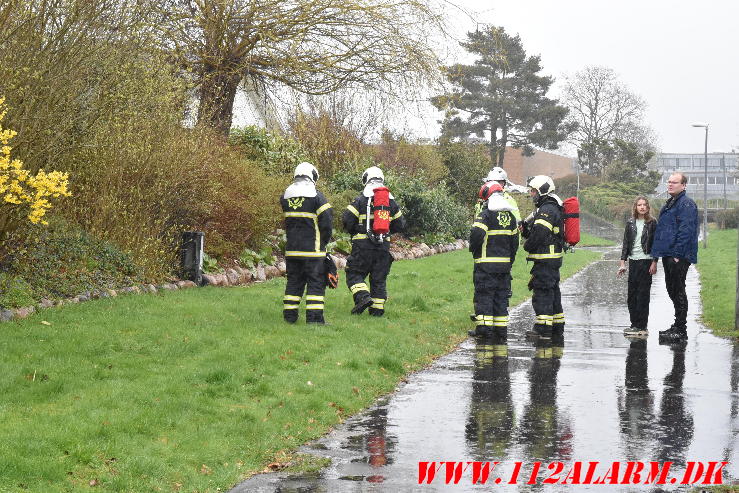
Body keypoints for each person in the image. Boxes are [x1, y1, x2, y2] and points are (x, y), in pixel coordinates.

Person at [342, 166, 405, 316]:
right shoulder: (391, 202)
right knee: (378, 279)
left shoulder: (361, 199)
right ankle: (377, 311)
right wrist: (386, 232)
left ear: (366, 179)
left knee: (354, 273)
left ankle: (363, 297)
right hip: (383, 247)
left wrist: (355, 230)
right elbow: (400, 224)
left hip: (362, 246)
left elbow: (347, 219)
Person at [280, 162, 333, 324]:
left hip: (292, 251)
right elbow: (327, 224)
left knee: (294, 282)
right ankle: (315, 319)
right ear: (312, 176)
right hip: (313, 252)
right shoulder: (317, 197)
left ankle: (290, 317)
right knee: (316, 284)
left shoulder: (285, 197)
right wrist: (323, 243)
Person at [650, 172, 698, 343]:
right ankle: (677, 325)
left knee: (678, 290)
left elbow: (686, 231)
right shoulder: (670, 204)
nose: (670, 185)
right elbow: (663, 231)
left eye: (674, 182)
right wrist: (656, 257)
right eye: (669, 182)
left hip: (679, 256)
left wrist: (677, 255)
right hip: (668, 254)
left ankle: (681, 330)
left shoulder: (686, 204)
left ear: (683, 185)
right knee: (672, 289)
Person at [468, 182, 519, 340]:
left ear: (487, 197)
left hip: (485, 266)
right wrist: (509, 262)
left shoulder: (485, 215)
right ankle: (500, 331)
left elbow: (476, 235)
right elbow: (515, 243)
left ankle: (484, 331)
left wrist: (474, 250)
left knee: (485, 297)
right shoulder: (510, 217)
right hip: (504, 267)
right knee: (500, 299)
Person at [521, 175, 564, 341]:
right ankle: (556, 327)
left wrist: (526, 246)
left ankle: (542, 329)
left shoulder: (547, 210)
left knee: (542, 294)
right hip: (550, 260)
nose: (531, 194)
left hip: (546, 260)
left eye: (533, 191)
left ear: (542, 191)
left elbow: (539, 234)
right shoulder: (550, 207)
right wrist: (525, 230)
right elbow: (536, 231)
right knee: (553, 293)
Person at [617, 196, 657, 336]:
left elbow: (656, 244)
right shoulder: (630, 223)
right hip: (633, 262)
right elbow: (626, 244)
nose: (642, 207)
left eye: (644, 205)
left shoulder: (652, 223)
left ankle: (642, 327)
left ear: (648, 207)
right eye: (639, 205)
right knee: (632, 296)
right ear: (635, 207)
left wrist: (654, 262)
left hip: (646, 262)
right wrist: (622, 263)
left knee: (643, 296)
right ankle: (634, 325)